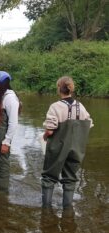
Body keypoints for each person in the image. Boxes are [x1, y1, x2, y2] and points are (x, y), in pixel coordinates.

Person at [41, 76, 93, 210]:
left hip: (57, 147)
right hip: (76, 148)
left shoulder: (55, 107)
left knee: (49, 177)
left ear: (59, 89)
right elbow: (89, 124)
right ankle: (68, 209)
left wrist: (45, 135)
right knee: (70, 178)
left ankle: (46, 209)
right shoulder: (80, 106)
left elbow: (50, 131)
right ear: (71, 89)